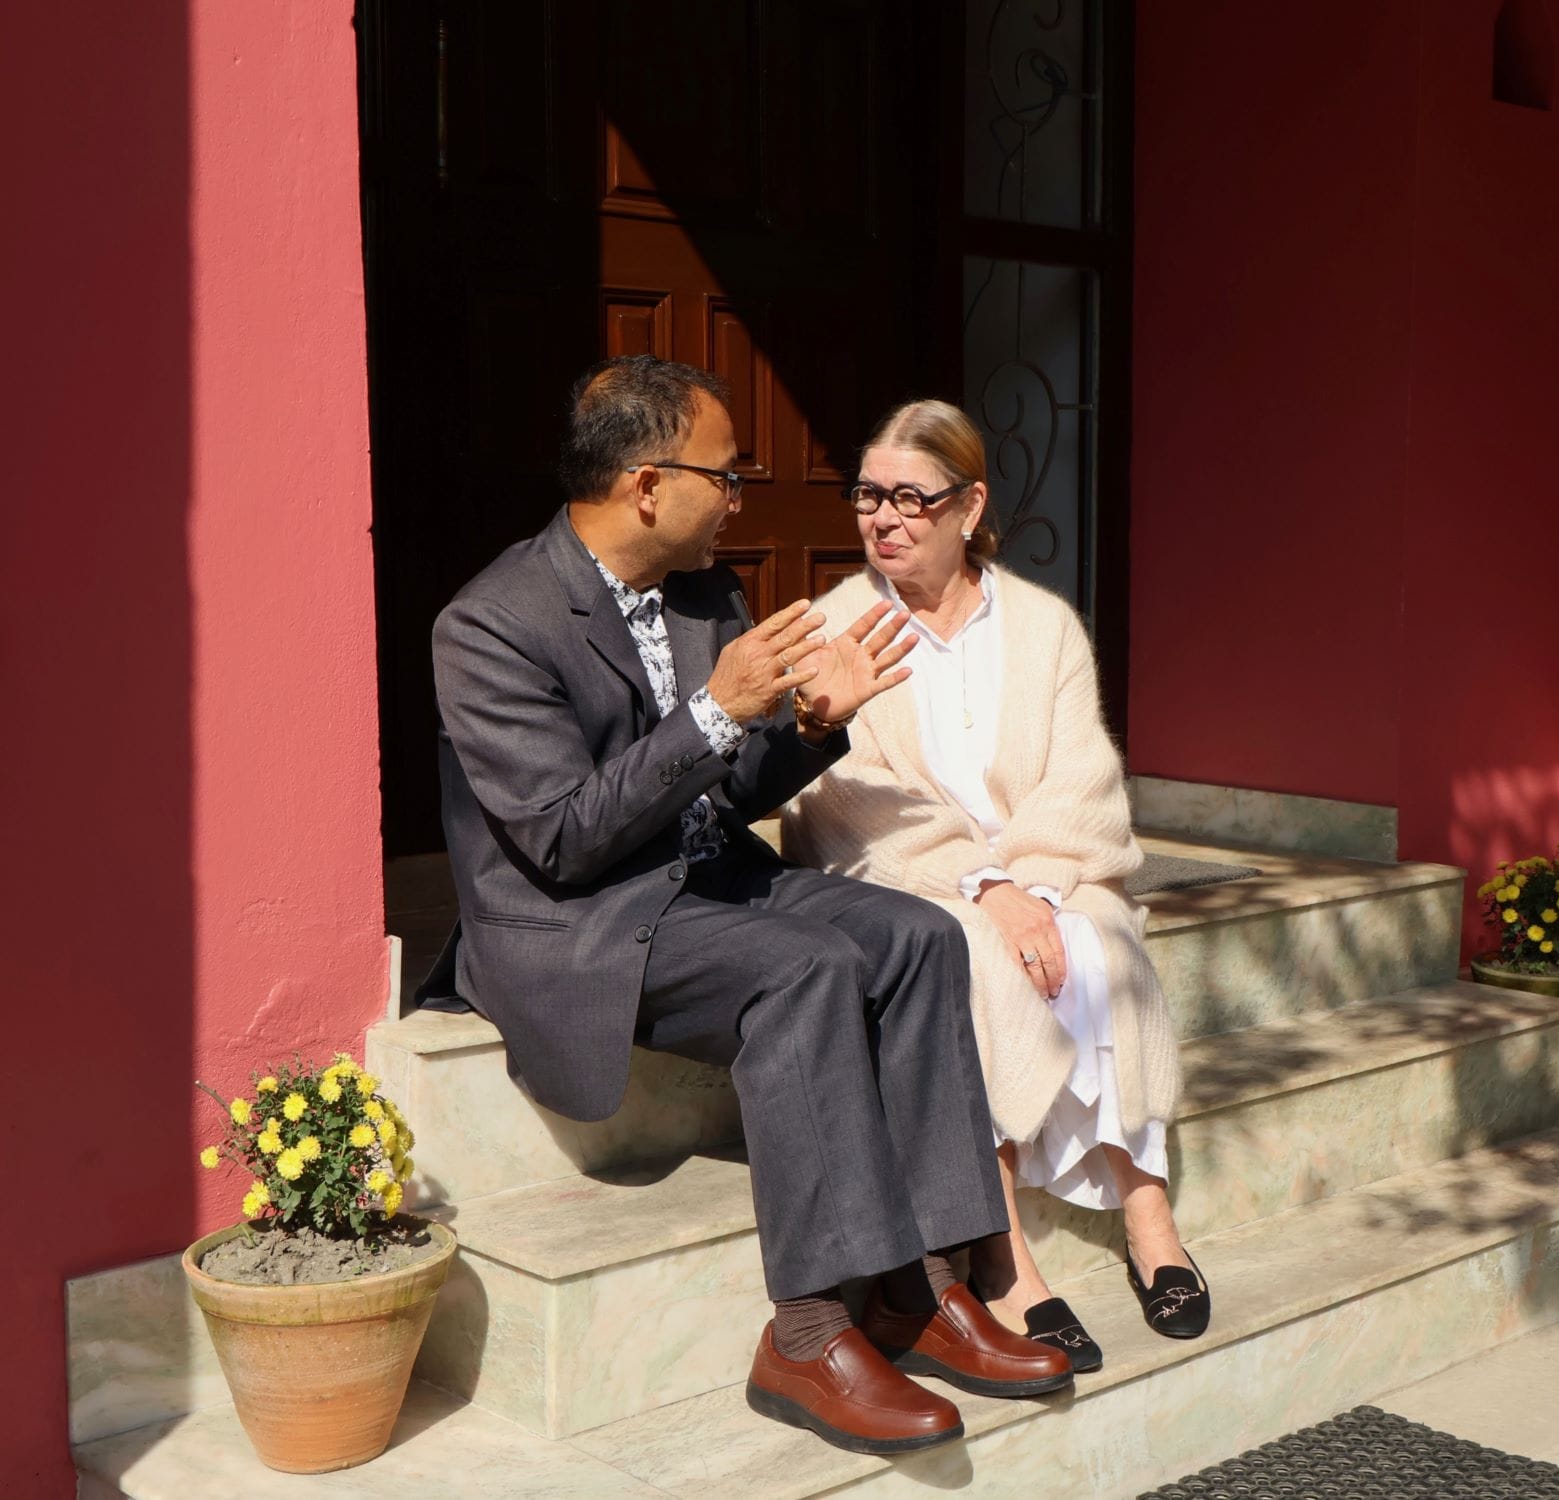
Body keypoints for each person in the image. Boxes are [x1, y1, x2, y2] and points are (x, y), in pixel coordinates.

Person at [421, 358, 1071, 1455]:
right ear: (643, 484)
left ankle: (920, 1287)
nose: (737, 499)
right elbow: (563, 838)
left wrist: (810, 726)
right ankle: (809, 1331)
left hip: (701, 878)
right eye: (723, 476)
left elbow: (728, 784)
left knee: (916, 934)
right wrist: (713, 715)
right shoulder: (490, 624)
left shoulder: (701, 593)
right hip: (578, 922)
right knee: (803, 966)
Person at [784, 399, 1211, 1372]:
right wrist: (985, 885)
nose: (881, 518)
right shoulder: (837, 624)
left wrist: (1037, 883)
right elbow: (841, 796)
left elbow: (1084, 779)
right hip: (918, 872)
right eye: (867, 497)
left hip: (1041, 862)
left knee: (1104, 937)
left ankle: (1147, 1214)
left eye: (908, 498)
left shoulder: (1041, 626)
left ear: (969, 506)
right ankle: (1005, 1256)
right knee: (977, 956)